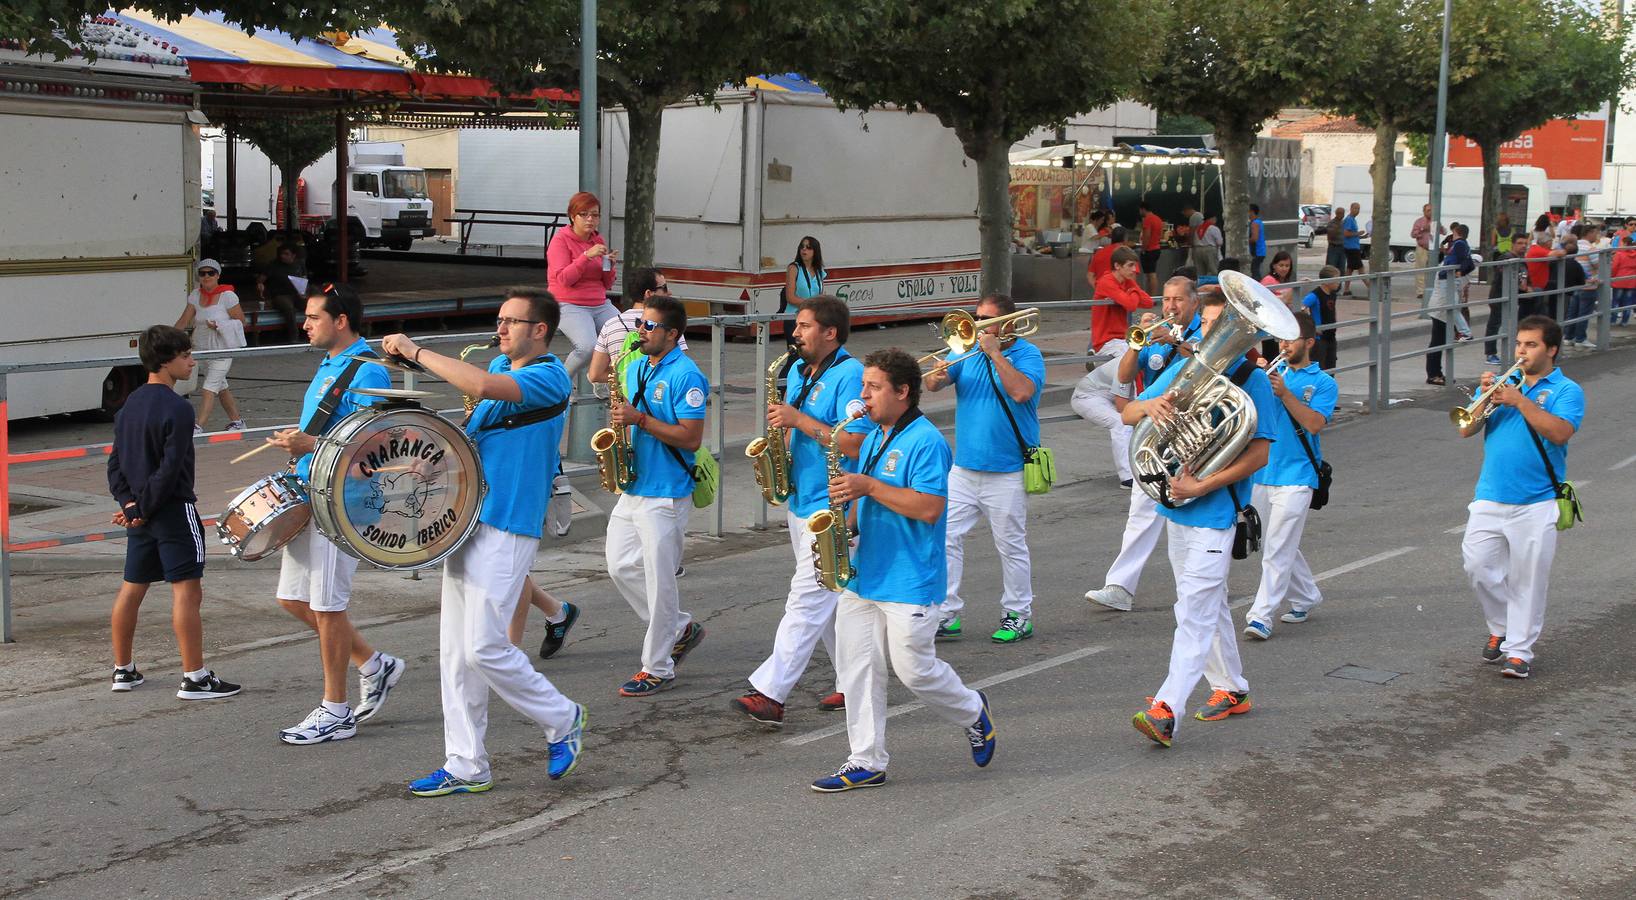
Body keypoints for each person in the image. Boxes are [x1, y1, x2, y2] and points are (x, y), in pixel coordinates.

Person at [382, 289, 587, 796]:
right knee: (455, 653)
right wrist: (429, 463)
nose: (500, 329)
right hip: (468, 520)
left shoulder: (546, 375)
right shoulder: (502, 363)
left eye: (511, 322)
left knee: (484, 647)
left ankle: (563, 717)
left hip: (510, 521)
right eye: (499, 320)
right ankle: (466, 764)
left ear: (540, 330)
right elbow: (475, 436)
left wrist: (414, 351)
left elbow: (477, 383)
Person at [811, 348, 996, 792]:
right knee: (857, 667)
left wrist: (869, 485)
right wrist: (846, 525)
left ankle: (973, 711)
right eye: (863, 386)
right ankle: (866, 760)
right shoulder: (875, 434)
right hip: (866, 572)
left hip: (910, 578)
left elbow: (930, 508)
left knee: (914, 671)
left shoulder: (926, 441)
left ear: (902, 392)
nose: (864, 396)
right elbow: (869, 497)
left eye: (873, 388)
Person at [1121, 282, 1278, 745]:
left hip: (1215, 513)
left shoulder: (1252, 382)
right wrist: (1148, 404)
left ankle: (1166, 707)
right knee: (1203, 607)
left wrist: (1202, 484)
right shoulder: (1189, 369)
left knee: (1192, 611)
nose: (1212, 336)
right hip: (1179, 512)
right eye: (1209, 326)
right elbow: (1128, 411)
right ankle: (1232, 689)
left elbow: (1260, 454)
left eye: (1220, 327)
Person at [262, 284, 403, 745]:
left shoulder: (370, 371)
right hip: (311, 492)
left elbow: (377, 447)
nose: (304, 324)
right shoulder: (331, 365)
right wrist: (299, 443)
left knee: (327, 606)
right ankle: (374, 663)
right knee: (293, 599)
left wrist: (311, 445)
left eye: (313, 317)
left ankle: (336, 710)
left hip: (342, 501)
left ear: (340, 320)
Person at [733, 296, 869, 726]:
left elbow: (856, 443)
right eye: (797, 325)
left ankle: (771, 693)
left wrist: (797, 420)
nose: (796, 333)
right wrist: (780, 459)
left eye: (805, 326)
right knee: (829, 599)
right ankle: (852, 682)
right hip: (801, 498)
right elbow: (794, 429)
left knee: (806, 599)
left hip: (834, 504)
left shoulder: (851, 375)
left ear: (830, 333)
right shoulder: (795, 370)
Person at [106, 325, 240, 700]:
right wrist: (144, 506)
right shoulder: (179, 409)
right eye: (185, 356)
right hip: (173, 510)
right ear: (166, 362)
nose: (191, 361)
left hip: (140, 514)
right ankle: (195, 677)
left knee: (132, 588)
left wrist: (130, 507)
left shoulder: (129, 404)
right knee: (187, 591)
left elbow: (115, 464)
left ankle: (123, 670)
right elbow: (169, 468)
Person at [1459, 316, 1584, 680]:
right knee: (1477, 568)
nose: (1521, 352)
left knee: (1528, 579)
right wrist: (1484, 398)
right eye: (1519, 344)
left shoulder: (1566, 390)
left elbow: (1560, 433)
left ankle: (1518, 652)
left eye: (1531, 345)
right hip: (1490, 495)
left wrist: (1520, 401)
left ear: (1551, 350)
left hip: (1538, 500)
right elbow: (1465, 429)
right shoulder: (1506, 383)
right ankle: (1501, 626)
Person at [603, 293, 709, 696]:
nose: (640, 332)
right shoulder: (636, 368)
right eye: (639, 325)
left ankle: (658, 666)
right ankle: (680, 627)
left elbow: (691, 438)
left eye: (649, 326)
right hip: (634, 486)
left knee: (660, 581)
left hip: (666, 492)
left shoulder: (686, 375)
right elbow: (627, 417)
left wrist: (640, 420)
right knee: (619, 565)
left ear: (673, 333)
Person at [923, 294, 1044, 643]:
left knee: (1010, 545)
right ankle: (946, 612)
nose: (976, 325)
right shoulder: (964, 350)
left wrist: (994, 353)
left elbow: (1021, 392)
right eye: (976, 317)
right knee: (945, 538)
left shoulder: (1027, 354)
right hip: (964, 468)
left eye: (986, 319)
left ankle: (1018, 615)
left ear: (1007, 324)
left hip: (1007, 470)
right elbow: (933, 384)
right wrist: (939, 373)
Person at [1084, 281, 1207, 612]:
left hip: (1191, 431)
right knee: (1141, 509)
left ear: (1193, 303)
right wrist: (1136, 346)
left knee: (1194, 514)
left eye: (1178, 299)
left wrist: (1176, 341)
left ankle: (1205, 586)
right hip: (1153, 432)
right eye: (1166, 299)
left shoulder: (1203, 330)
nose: (1171, 306)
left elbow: (1205, 364)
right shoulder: (1152, 333)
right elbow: (1123, 376)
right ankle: (1120, 587)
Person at [1241, 316, 1337, 640]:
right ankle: (1306, 595)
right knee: (1272, 542)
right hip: (1262, 472)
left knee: (1278, 548)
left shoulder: (1323, 383)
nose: (1284, 346)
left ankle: (1261, 616)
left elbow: (1314, 424)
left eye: (1291, 340)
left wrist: (1285, 395)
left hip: (1298, 476)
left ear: (1308, 343)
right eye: (1282, 339)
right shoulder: (1268, 375)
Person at [547, 191, 619, 384]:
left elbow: (607, 283)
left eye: (595, 215)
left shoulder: (598, 240)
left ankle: (601, 379)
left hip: (599, 302)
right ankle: (559, 385)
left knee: (625, 338)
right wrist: (586, 256)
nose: (590, 219)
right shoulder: (560, 241)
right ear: (572, 216)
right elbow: (563, 279)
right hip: (569, 304)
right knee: (587, 347)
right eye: (584, 214)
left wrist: (610, 266)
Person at [175, 259, 246, 432]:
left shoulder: (228, 296)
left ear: (218, 275)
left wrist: (220, 325)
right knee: (221, 386)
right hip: (201, 348)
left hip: (222, 348)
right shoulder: (195, 295)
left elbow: (241, 321)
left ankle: (198, 426)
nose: (206, 276)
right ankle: (238, 423)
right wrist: (169, 338)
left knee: (209, 386)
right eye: (202, 273)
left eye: (211, 273)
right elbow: (184, 320)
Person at [1427, 223, 1477, 385]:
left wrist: (1459, 271)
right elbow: (1468, 265)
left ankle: (1436, 373)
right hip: (1441, 301)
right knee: (1438, 339)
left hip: (1442, 299)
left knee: (1439, 339)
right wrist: (1460, 271)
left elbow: (1466, 264)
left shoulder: (1458, 249)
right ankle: (1434, 374)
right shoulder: (1458, 253)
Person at [1091, 246, 1154, 357]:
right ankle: (1095, 361)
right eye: (1130, 265)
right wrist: (1134, 292)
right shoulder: (1107, 282)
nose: (1134, 269)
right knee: (1133, 359)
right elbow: (1131, 305)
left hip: (1122, 339)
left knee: (1147, 354)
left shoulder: (1127, 282)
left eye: (1134, 265)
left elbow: (1149, 302)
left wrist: (1131, 292)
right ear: (1117, 266)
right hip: (1106, 342)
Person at [1484, 240, 1531, 365]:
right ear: (1513, 244)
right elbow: (1505, 275)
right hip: (1500, 295)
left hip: (1512, 297)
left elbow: (1525, 278)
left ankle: (1517, 351)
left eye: (1525, 244)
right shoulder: (1506, 258)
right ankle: (1490, 353)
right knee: (1495, 323)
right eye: (1520, 243)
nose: (1523, 246)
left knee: (1505, 323)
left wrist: (1528, 287)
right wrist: (1522, 287)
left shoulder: (1522, 260)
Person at [260, 242, 306, 344]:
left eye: (286, 254)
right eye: (281, 254)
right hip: (280, 294)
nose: (282, 256)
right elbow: (261, 279)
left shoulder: (299, 264)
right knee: (289, 308)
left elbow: (303, 278)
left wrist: (302, 291)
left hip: (296, 293)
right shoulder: (273, 265)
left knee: (312, 305)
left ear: (293, 255)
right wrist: (260, 285)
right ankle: (294, 336)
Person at [1565, 227, 1601, 348]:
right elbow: (1598, 265)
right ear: (1589, 233)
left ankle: (1568, 336)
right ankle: (1580, 339)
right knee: (1584, 313)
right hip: (1589, 285)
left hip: (1575, 285)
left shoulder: (1574, 246)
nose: (1597, 236)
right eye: (1596, 233)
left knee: (1573, 312)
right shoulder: (1591, 249)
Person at [1301, 265, 1342, 371]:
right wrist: (1312, 325)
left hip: (1331, 335)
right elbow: (1303, 307)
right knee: (1320, 368)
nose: (1339, 282)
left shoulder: (1333, 293)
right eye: (1336, 280)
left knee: (1331, 367)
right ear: (1328, 281)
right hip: (1320, 338)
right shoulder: (1315, 295)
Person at [1259, 250, 1297, 361]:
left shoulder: (1286, 281)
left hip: (1283, 325)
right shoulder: (1268, 280)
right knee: (1271, 356)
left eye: (1287, 266)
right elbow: (1261, 300)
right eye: (1281, 265)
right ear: (1274, 266)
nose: (1284, 268)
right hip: (1271, 325)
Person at [782, 236, 827, 313]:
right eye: (802, 247)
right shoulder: (794, 268)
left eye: (808, 247)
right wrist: (813, 304)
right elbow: (790, 298)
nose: (804, 249)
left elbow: (820, 295)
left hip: (813, 316)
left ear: (815, 251)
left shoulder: (819, 271)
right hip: (794, 316)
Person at [1411, 204, 1445, 299]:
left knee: (1433, 270)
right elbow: (1413, 234)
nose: (1430, 212)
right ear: (1424, 211)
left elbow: (1444, 232)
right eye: (1428, 210)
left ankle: (1433, 289)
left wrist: (1440, 227)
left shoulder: (1435, 221)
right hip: (1422, 247)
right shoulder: (1419, 221)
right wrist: (1422, 229)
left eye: (1431, 210)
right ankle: (1421, 291)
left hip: (1433, 249)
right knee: (1420, 270)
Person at [1088, 225, 1128, 290]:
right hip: (1121, 295)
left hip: (1102, 296)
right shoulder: (1127, 253)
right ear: (1125, 239)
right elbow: (1132, 277)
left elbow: (1090, 276)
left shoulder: (1099, 253)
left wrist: (1098, 289)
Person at [1138, 200, 1164, 294]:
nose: (1139, 212)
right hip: (1157, 248)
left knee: (1151, 275)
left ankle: (1151, 296)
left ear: (1143, 209)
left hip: (1149, 250)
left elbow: (1147, 236)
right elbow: (1161, 235)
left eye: (1140, 210)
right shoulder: (1158, 219)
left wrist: (1143, 249)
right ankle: (1150, 295)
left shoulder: (1148, 219)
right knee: (1151, 274)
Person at [1343, 202, 1365, 294]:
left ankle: (1346, 289)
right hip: (1351, 248)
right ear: (1351, 208)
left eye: (1359, 209)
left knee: (1350, 269)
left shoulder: (1353, 219)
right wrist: (1358, 233)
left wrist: (1362, 236)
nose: (1357, 210)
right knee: (1361, 268)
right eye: (1355, 208)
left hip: (1354, 246)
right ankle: (1371, 287)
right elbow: (1346, 233)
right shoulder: (1349, 219)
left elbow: (1353, 235)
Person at [1324, 206, 1347, 273]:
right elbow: (1331, 236)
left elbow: (1346, 235)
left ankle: (1339, 283)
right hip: (1333, 248)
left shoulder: (1344, 223)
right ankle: (1330, 283)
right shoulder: (1331, 223)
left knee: (1341, 270)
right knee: (1331, 269)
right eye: (1339, 213)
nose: (1341, 215)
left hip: (1342, 248)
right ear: (1336, 213)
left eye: (1342, 213)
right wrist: (1337, 227)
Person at [1247, 203, 1267, 280]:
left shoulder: (1255, 223)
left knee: (1254, 270)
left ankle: (1258, 285)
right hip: (1261, 251)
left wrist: (1245, 241)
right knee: (1256, 269)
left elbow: (1254, 238)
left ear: (1251, 212)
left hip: (1257, 251)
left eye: (1247, 211)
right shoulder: (1259, 222)